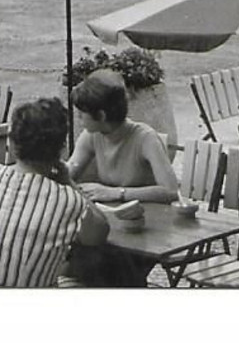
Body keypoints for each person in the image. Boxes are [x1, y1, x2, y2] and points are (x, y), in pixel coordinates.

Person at [0, 97, 110, 287]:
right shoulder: (68, 201)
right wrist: (68, 181)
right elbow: (98, 235)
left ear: (13, 145)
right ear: (61, 149)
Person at [64, 70, 181, 286]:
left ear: (101, 116)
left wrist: (117, 193)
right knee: (80, 255)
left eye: (82, 114)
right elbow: (69, 170)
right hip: (112, 230)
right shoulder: (92, 135)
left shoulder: (144, 137)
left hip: (145, 233)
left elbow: (171, 190)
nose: (78, 118)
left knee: (98, 264)